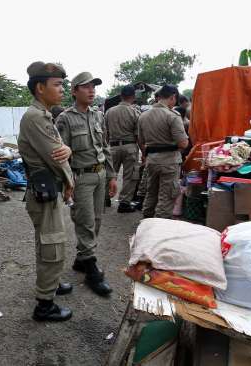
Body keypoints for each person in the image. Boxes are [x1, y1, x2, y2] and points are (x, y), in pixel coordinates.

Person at [18, 61, 75, 321]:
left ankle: (51, 284)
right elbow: (56, 156)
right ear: (40, 88)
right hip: (44, 192)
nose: (62, 89)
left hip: (47, 190)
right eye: (58, 84)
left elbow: (61, 150)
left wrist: (69, 150)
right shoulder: (35, 117)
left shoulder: (44, 114)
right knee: (52, 246)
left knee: (49, 242)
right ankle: (44, 304)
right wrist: (71, 183)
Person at [55, 71, 116, 296]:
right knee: (86, 221)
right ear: (74, 91)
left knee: (97, 220)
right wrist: (67, 183)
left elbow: (105, 147)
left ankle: (82, 259)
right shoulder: (65, 118)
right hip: (80, 178)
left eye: (94, 86)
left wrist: (111, 176)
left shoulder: (98, 115)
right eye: (86, 87)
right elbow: (62, 156)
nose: (91, 90)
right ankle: (91, 269)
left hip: (99, 175)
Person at [137, 85, 189, 219]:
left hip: (151, 160)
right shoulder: (173, 116)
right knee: (166, 198)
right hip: (169, 162)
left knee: (151, 194)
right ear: (172, 97)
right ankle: (158, 231)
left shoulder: (143, 116)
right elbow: (183, 143)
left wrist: (146, 154)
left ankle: (146, 223)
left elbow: (141, 141)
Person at [104, 85, 141, 213]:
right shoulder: (135, 112)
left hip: (113, 146)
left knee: (110, 173)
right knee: (130, 176)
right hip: (130, 146)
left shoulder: (109, 112)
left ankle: (105, 198)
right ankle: (124, 202)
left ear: (121, 96)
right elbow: (138, 135)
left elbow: (105, 134)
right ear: (133, 97)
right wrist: (143, 150)